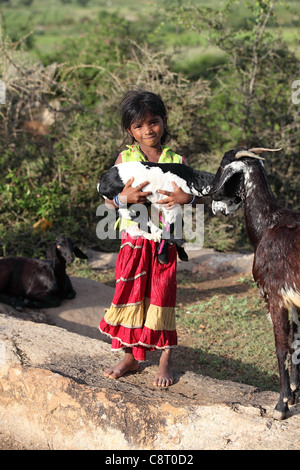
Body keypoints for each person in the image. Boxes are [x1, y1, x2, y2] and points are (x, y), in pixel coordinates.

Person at [99, 90, 204, 387]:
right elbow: (108, 200)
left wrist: (189, 198)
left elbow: (199, 196)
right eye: (138, 126)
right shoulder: (125, 158)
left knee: (161, 295)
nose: (147, 130)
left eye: (153, 122)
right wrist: (123, 198)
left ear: (164, 122)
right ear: (130, 131)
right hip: (133, 240)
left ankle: (165, 359)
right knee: (131, 295)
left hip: (165, 242)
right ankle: (131, 356)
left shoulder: (176, 160)